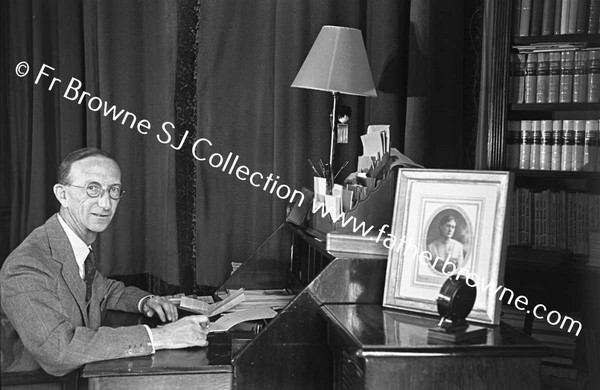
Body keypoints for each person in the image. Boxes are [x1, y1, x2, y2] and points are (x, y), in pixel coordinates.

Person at [0, 147, 209, 377]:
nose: (106, 203)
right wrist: (162, 336)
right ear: (62, 194)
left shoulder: (73, 245)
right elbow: (58, 350)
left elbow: (105, 290)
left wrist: (145, 301)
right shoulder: (25, 265)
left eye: (113, 190)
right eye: (92, 188)